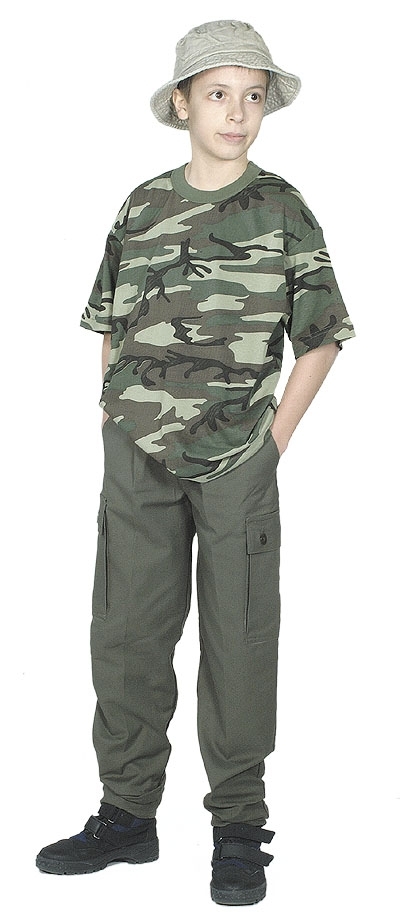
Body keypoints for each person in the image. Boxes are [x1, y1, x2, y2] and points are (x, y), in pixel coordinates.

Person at [36, 20, 355, 906]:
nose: (237, 113)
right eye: (218, 94)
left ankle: (239, 829)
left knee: (240, 638)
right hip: (136, 453)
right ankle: (127, 815)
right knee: (127, 634)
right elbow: (110, 321)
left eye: (252, 97)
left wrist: (273, 441)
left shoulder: (282, 208)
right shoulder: (142, 205)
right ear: (182, 105)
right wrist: (113, 408)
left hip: (238, 456)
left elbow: (322, 336)